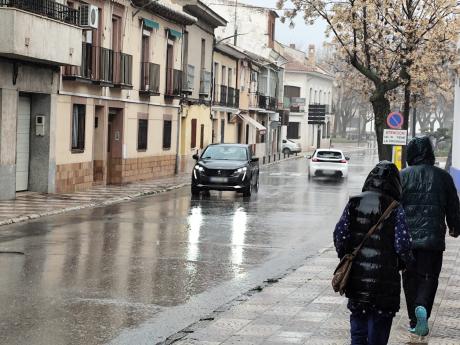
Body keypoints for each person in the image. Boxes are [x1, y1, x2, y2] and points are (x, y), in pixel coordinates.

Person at [334, 161, 412, 345]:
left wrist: (347, 256)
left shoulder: (354, 202)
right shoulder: (395, 208)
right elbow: (403, 244)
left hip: (357, 280)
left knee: (358, 326)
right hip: (385, 283)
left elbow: (340, 235)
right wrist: (404, 263)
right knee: (379, 327)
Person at [401, 136, 460, 337]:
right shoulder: (443, 177)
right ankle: (422, 307)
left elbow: (393, 207)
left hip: (407, 240)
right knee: (429, 277)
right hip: (433, 239)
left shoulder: (403, 176)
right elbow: (453, 205)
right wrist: (455, 227)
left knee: (409, 278)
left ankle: (413, 319)